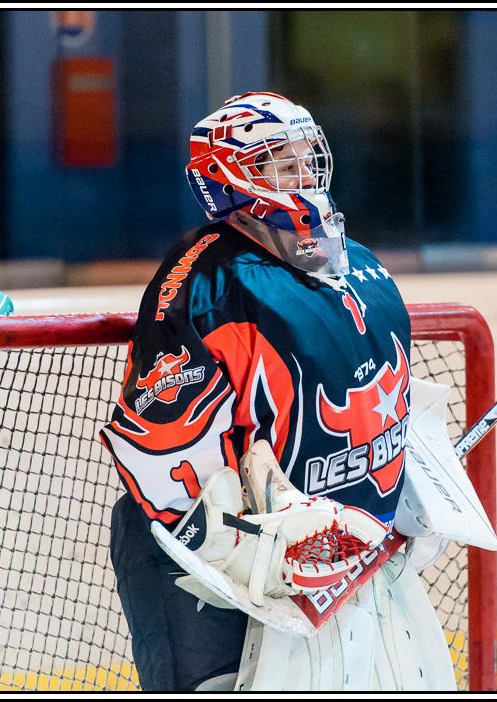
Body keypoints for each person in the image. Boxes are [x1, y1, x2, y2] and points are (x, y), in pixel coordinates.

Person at [99, 91, 412, 691]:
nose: (302, 174)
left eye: (307, 157)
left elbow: (390, 401)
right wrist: (257, 537)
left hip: (341, 560)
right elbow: (162, 450)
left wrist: (402, 494)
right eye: (278, 161)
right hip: (222, 573)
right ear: (227, 179)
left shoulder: (364, 266)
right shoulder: (208, 279)